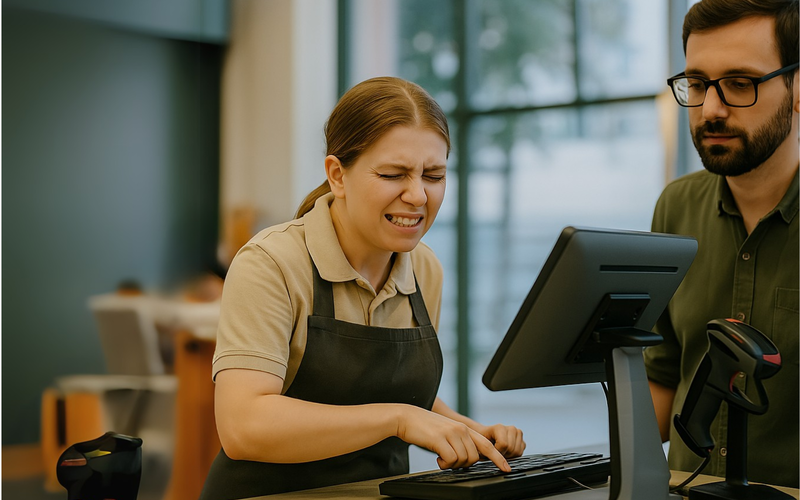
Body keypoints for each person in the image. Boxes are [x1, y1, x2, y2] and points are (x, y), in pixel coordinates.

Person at [199, 77, 526, 499]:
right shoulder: (271, 263)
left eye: (434, 175)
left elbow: (398, 394)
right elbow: (244, 426)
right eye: (393, 174)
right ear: (337, 175)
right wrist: (399, 420)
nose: (417, 195)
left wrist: (469, 431)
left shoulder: (424, 269)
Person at [645, 0, 798, 488]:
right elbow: (663, 376)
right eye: (697, 84)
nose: (710, 109)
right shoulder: (676, 206)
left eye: (740, 83)